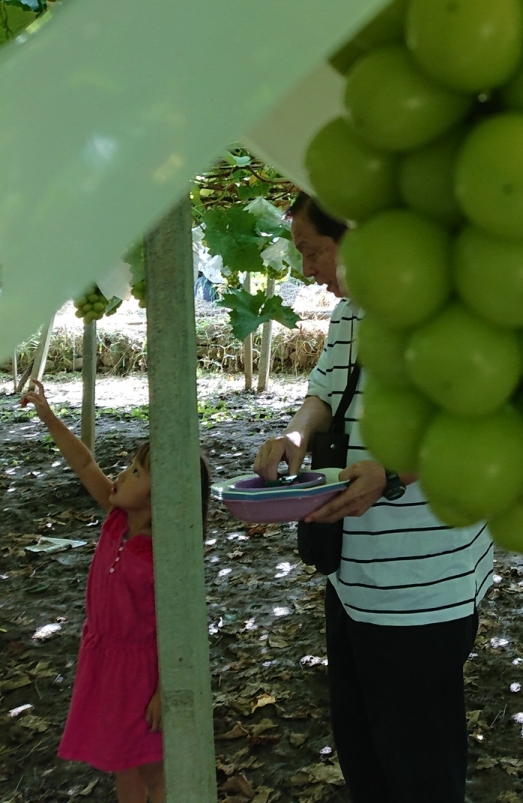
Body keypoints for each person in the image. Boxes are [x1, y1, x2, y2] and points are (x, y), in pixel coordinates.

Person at [255, 193, 494, 803]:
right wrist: (295, 435)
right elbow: (326, 388)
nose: (308, 268)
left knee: (420, 765)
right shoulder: (352, 313)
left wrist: (387, 475)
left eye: (314, 251)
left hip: (423, 587)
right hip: (354, 576)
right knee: (364, 749)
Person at [20, 380, 210, 803]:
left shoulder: (168, 554)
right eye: (129, 465)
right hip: (105, 660)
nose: (123, 474)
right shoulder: (116, 519)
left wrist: (165, 689)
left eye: (137, 471)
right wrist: (48, 416)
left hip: (144, 670)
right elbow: (85, 464)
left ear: (164, 493)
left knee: (155, 771)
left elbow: (179, 624)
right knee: (121, 763)